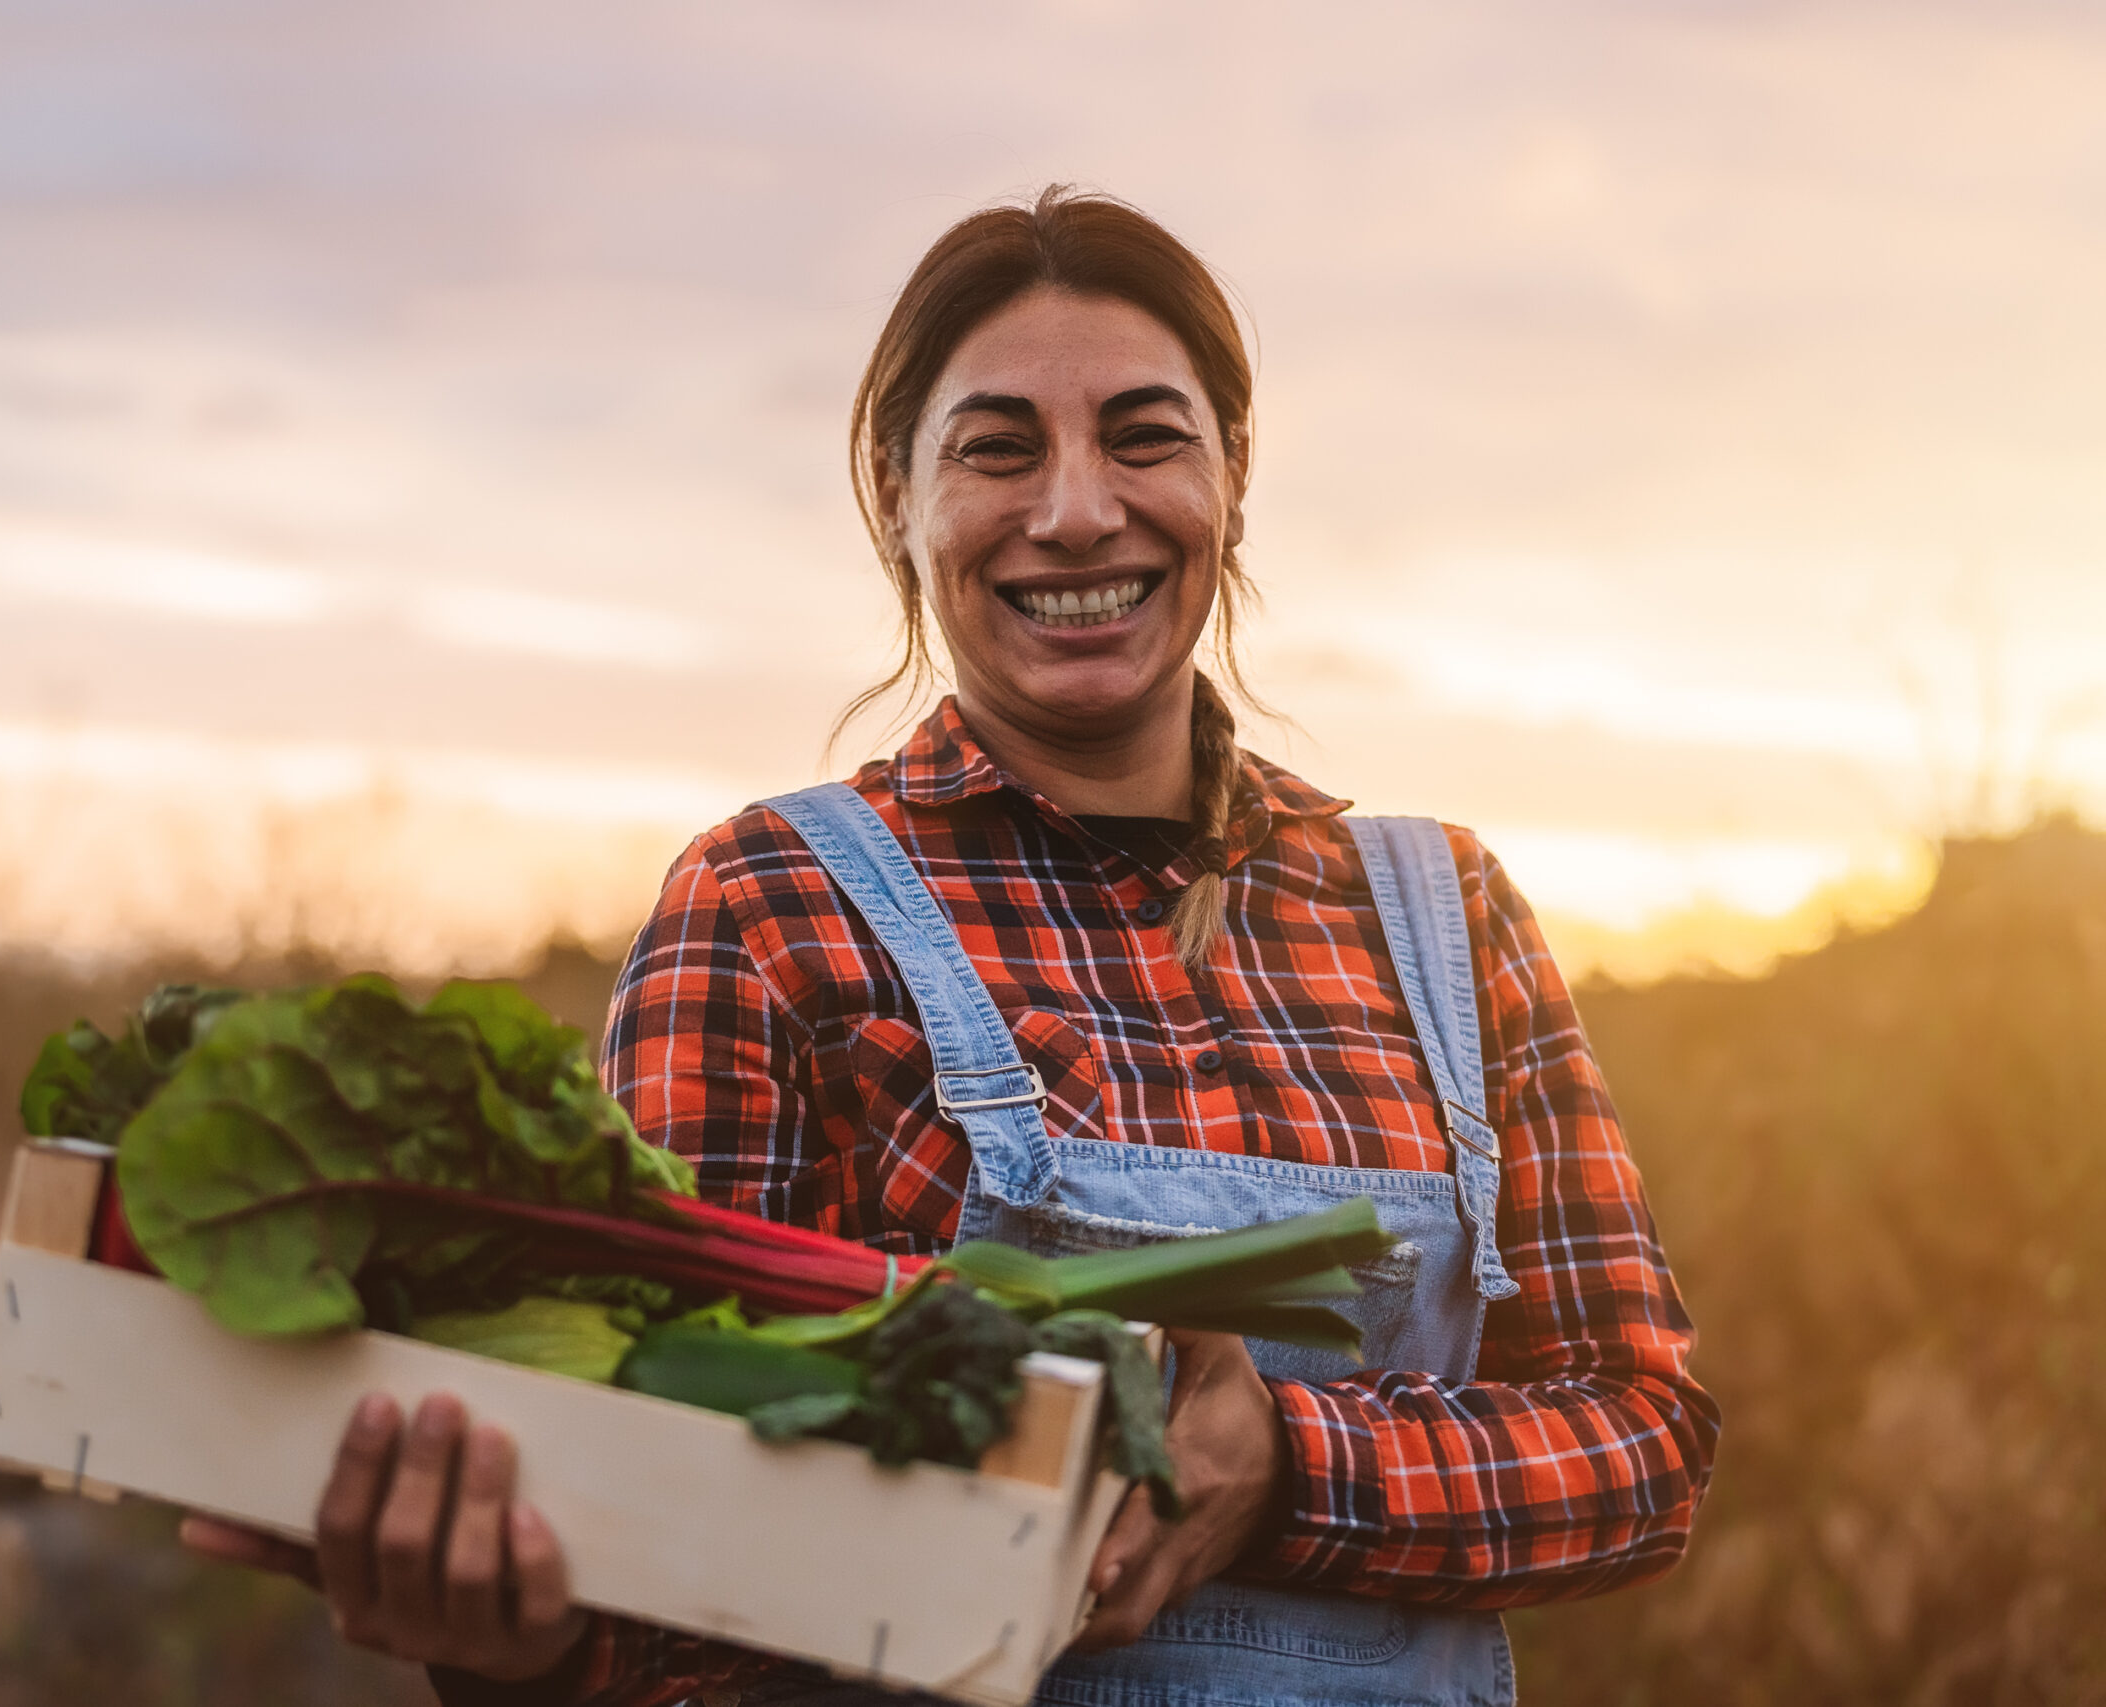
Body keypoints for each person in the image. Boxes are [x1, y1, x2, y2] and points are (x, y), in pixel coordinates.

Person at [183, 186, 1720, 1707]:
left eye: (1144, 434)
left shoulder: (1444, 913)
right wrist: (518, 1646)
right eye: (998, 449)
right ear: (899, 496)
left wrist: (1289, 1467)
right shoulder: (770, 910)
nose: (1075, 511)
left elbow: (1645, 1441)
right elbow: (663, 1528)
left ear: (1233, 476)